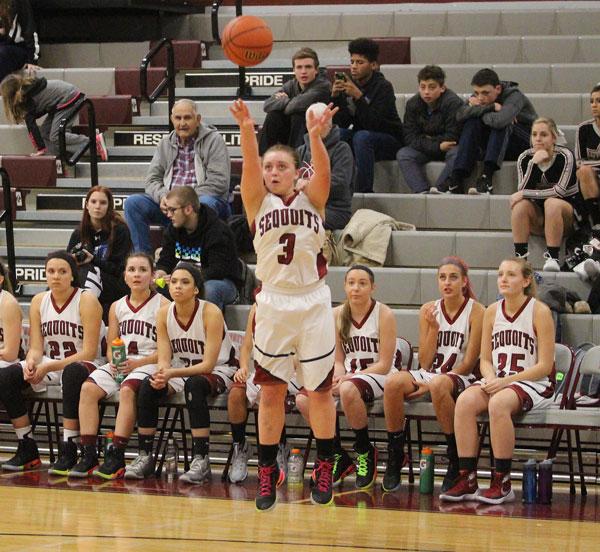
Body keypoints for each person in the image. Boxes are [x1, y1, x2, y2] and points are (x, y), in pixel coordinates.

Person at [230, 97, 338, 511]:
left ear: (297, 174)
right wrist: (246, 128)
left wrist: (314, 137)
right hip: (273, 303)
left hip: (312, 302)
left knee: (319, 391)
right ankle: (267, 472)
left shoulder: (315, 200)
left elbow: (324, 172)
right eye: (269, 167)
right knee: (271, 392)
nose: (273, 171)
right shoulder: (258, 203)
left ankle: (325, 463)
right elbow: (252, 165)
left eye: (282, 167)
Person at [440, 258, 555, 504]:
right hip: (501, 380)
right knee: (465, 401)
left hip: (533, 383)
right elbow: (485, 360)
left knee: (498, 404)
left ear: (526, 281)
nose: (504, 279)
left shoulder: (540, 311)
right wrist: (491, 376)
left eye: (511, 275)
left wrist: (506, 382)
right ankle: (467, 478)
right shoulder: (492, 311)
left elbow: (545, 366)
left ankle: (502, 481)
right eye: (501, 274)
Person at [382, 257, 484, 492]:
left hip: (463, 377)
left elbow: (469, 363)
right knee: (393, 382)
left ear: (464, 282)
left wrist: (431, 385)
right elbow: (425, 361)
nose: (447, 282)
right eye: (442, 277)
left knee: (438, 384)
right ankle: (396, 453)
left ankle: (454, 456)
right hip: (433, 374)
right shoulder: (428, 309)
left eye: (453, 277)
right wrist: (434, 329)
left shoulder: (477, 311)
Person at [129, 262, 237, 483]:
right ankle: (145, 455)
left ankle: (201, 459)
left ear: (196, 289)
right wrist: (161, 375)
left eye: (185, 282)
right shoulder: (163, 314)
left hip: (220, 369)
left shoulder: (210, 312)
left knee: (195, 385)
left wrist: (170, 374)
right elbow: (164, 359)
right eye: (174, 281)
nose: (177, 286)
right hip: (181, 371)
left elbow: (207, 365)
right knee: (147, 385)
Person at [295, 265, 398, 490]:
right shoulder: (336, 314)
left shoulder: (384, 314)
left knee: (348, 389)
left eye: (362, 283)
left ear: (372, 287)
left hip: (379, 376)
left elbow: (384, 364)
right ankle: (337, 454)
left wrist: (350, 378)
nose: (356, 288)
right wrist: (336, 377)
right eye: (351, 282)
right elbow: (339, 360)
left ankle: (364, 450)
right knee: (304, 399)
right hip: (350, 377)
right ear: (344, 286)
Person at [0, 251, 103, 473]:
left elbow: (89, 352)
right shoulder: (39, 301)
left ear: (72, 276)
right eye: (51, 271)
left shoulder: (87, 300)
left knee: (72, 372)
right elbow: (36, 348)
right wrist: (30, 363)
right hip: (53, 363)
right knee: (7, 376)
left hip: (88, 365)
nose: (56, 276)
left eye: (62, 271)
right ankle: (26, 444)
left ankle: (69, 446)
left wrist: (47, 366)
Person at [71, 253, 169, 479]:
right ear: (124, 276)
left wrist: (137, 363)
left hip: (149, 362)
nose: (137, 274)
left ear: (153, 276)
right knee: (87, 389)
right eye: (132, 270)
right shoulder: (116, 306)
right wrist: (115, 362)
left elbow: (166, 351)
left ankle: (116, 453)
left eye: (143, 270)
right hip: (122, 363)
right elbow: (110, 344)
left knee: (126, 391)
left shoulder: (164, 306)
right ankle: (88, 454)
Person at [124, 99, 231, 253]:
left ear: (198, 119)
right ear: (171, 119)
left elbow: (219, 182)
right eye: (178, 118)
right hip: (170, 203)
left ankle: (199, 257)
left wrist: (183, 202)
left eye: (187, 118)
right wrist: (163, 197)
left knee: (205, 203)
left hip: (202, 201)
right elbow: (152, 179)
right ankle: (143, 259)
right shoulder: (165, 143)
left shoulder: (214, 140)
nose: (182, 123)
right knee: (133, 203)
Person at [227, 302, 300, 483]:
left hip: (294, 372)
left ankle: (277, 449)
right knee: (236, 394)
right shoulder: (257, 306)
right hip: (264, 372)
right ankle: (240, 447)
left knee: (268, 395)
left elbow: (302, 352)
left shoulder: (298, 305)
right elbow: (246, 347)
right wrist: (243, 367)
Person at [444, 68, 537, 195]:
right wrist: (491, 107)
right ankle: (456, 178)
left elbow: (499, 121)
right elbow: (459, 115)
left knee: (503, 124)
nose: (480, 97)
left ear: (498, 89)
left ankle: (486, 178)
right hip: (497, 144)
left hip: (523, 141)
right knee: (472, 123)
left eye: (485, 93)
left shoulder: (514, 95)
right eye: (476, 93)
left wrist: (478, 109)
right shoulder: (481, 97)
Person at [331, 37, 403, 193]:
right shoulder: (350, 85)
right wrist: (336, 98)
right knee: (338, 134)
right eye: (352, 62)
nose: (354, 67)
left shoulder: (384, 87)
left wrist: (359, 97)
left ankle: (364, 191)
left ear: (373, 65)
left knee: (362, 136)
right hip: (363, 139)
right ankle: (335, 187)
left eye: (360, 62)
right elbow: (342, 123)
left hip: (389, 140)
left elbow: (374, 123)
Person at [510, 117, 583, 272]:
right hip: (540, 218)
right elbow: (521, 192)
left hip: (566, 218)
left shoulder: (565, 156)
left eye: (543, 135)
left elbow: (559, 191)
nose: (538, 139)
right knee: (520, 206)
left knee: (552, 202)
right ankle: (521, 260)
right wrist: (532, 164)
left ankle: (553, 257)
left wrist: (524, 193)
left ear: (554, 138)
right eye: (534, 134)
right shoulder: (525, 158)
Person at [154, 186, 242, 311]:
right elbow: (165, 261)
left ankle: (209, 328)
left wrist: (183, 278)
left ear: (188, 209)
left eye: (173, 210)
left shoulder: (218, 231)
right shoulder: (173, 229)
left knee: (209, 289)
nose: (168, 215)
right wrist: (160, 274)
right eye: (167, 210)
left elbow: (217, 270)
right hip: (183, 280)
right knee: (153, 285)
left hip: (221, 283)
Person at [0, 71, 108, 160]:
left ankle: (93, 142)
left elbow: (31, 125)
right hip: (61, 100)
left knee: (56, 135)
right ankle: (57, 159)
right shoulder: (27, 90)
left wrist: (41, 149)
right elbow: (38, 111)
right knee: (45, 132)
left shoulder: (25, 97)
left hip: (68, 97)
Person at [397, 65, 463, 194]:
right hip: (434, 147)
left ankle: (441, 189)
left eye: (432, 87)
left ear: (442, 88)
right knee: (404, 154)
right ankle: (421, 191)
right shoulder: (412, 104)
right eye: (423, 87)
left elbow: (452, 137)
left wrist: (426, 139)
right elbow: (409, 137)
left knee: (458, 153)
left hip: (448, 148)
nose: (426, 92)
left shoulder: (453, 103)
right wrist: (437, 145)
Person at [67, 185, 132, 315]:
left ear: (109, 206)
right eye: (93, 202)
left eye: (103, 203)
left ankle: (85, 314)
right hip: (84, 279)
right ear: (87, 205)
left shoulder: (120, 230)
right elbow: (66, 263)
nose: (97, 206)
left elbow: (120, 270)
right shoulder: (78, 233)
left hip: (113, 283)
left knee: (88, 271)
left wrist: (93, 260)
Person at [259, 47, 331, 155]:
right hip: (294, 132)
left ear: (316, 70)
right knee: (273, 116)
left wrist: (284, 100)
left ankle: (296, 161)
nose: (303, 71)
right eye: (299, 67)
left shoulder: (323, 86)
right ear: (294, 70)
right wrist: (288, 102)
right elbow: (267, 105)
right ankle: (263, 159)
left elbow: (293, 107)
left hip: (318, 132)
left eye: (308, 67)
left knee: (298, 115)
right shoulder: (292, 84)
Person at [297, 102, 354, 230]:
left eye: (321, 123)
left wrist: (308, 185)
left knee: (299, 218)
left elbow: (340, 183)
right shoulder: (300, 151)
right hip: (304, 205)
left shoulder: (342, 149)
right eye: (312, 123)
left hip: (335, 210)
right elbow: (290, 180)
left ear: (330, 124)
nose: (316, 127)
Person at [575, 83, 600, 226]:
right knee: (583, 172)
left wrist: (590, 163)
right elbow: (579, 162)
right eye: (592, 101)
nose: (594, 105)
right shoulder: (584, 128)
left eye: (598, 101)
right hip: (592, 179)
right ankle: (595, 223)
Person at [0, 0, 39, 82]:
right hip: (4, 46)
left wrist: (32, 60)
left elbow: (30, 30)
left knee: (2, 53)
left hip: (16, 48)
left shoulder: (18, 2)